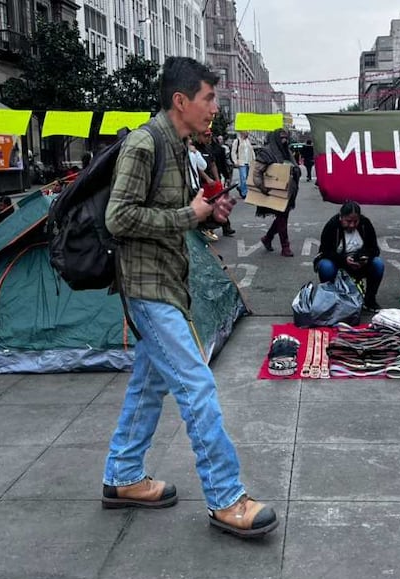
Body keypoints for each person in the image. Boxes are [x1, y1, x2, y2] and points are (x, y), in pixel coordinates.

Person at [102, 56, 277, 538]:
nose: (214, 109)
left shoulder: (179, 145)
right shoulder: (144, 143)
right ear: (181, 101)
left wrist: (209, 211)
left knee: (148, 385)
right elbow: (119, 219)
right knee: (197, 386)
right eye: (209, 98)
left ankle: (122, 476)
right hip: (147, 287)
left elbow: (179, 211)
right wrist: (187, 216)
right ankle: (225, 498)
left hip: (169, 282)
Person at [314, 201, 385, 311]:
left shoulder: (365, 224)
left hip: (359, 263)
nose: (352, 225)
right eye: (348, 221)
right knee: (326, 266)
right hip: (338, 263)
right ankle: (330, 300)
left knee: (378, 264)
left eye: (355, 221)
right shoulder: (332, 225)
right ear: (341, 217)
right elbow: (325, 251)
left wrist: (365, 257)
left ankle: (370, 300)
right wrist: (344, 260)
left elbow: (374, 249)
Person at [254, 129, 301, 257]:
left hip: (288, 190)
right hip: (272, 191)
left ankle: (268, 238)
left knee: (282, 217)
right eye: (281, 138)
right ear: (276, 138)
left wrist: (295, 171)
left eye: (286, 137)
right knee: (282, 216)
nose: (284, 140)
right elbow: (257, 172)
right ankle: (285, 247)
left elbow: (295, 167)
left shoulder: (286, 151)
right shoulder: (267, 151)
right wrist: (262, 188)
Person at [231, 131, 254, 199]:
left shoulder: (248, 141)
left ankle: (241, 188)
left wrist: (254, 159)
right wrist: (235, 161)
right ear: (242, 132)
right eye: (246, 131)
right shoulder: (237, 141)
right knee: (243, 177)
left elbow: (251, 151)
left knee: (247, 178)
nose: (248, 133)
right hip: (241, 162)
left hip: (248, 161)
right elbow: (233, 151)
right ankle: (244, 193)